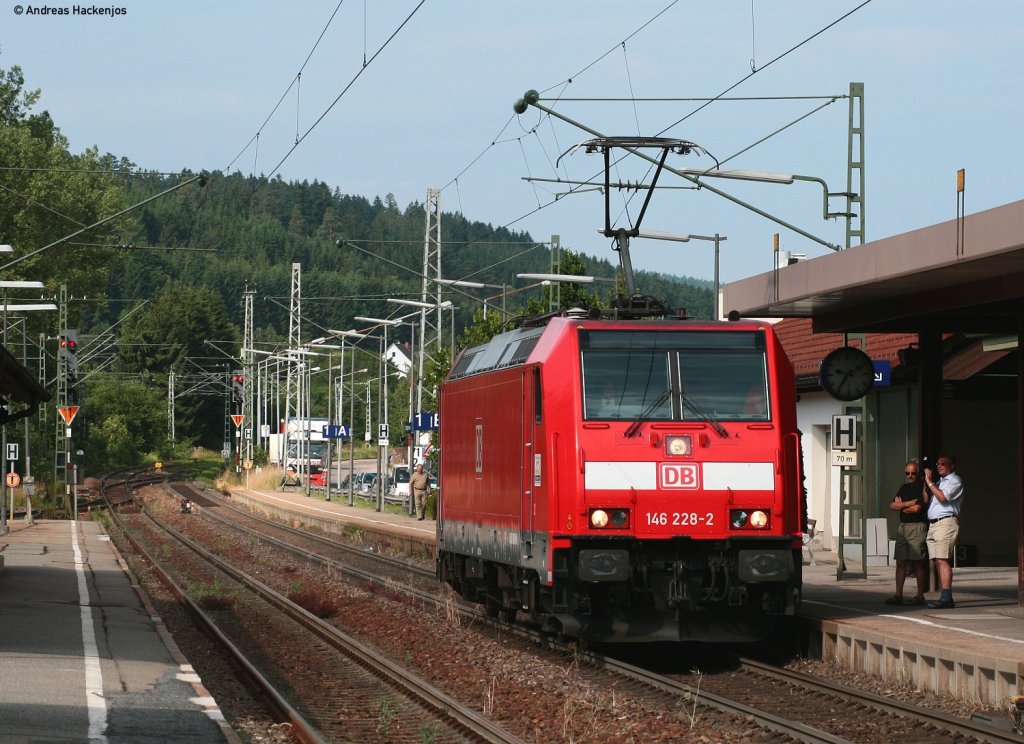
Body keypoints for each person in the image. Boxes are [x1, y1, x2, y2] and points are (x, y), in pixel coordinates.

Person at [923, 455, 965, 609]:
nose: (939, 466)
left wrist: (930, 482)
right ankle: (944, 596)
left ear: (952, 466)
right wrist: (926, 483)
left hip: (946, 522)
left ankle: (947, 597)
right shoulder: (939, 482)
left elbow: (942, 498)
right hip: (934, 524)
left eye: (943, 464)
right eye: (937, 464)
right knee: (938, 561)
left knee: (943, 560)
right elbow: (927, 499)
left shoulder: (955, 481)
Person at [885, 460, 928, 605]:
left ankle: (920, 595)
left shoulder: (923, 487)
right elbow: (892, 505)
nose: (910, 476)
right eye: (907, 473)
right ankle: (898, 594)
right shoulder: (903, 488)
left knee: (918, 563)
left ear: (918, 473)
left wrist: (901, 506)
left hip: (917, 526)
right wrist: (908, 504)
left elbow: (918, 509)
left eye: (913, 473)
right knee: (900, 562)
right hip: (903, 526)